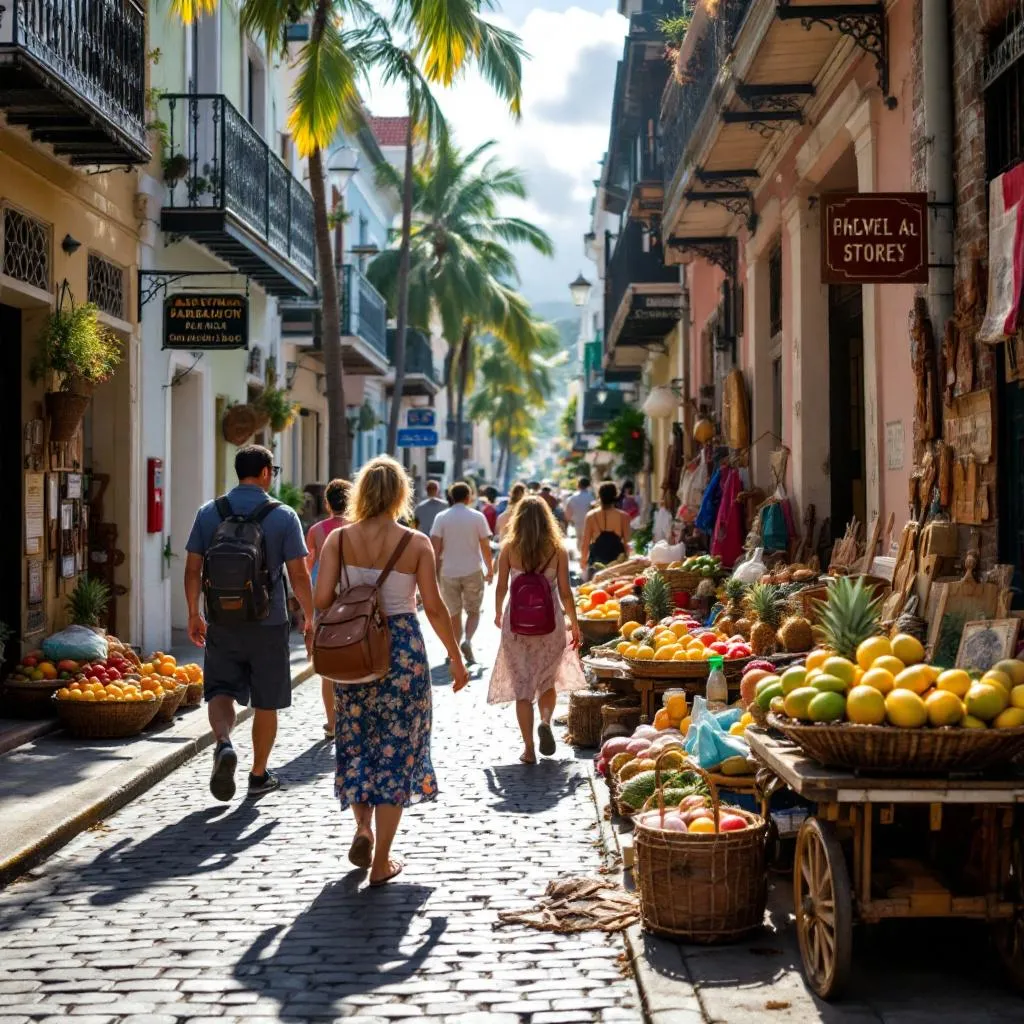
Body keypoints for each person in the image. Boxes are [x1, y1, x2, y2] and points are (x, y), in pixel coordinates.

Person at [314, 456, 469, 886]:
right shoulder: (415, 542)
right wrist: (455, 658)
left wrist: (355, 595)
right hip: (401, 649)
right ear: (402, 495)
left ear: (360, 493)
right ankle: (381, 860)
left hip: (355, 650)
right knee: (397, 750)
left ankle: (361, 828)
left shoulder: (338, 541)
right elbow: (435, 608)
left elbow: (323, 599)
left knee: (358, 741)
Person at [184, 444, 314, 801]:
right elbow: (299, 574)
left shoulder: (209, 512)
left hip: (221, 621)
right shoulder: (284, 515)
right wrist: (311, 615)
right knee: (266, 700)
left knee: (220, 689)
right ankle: (258, 775)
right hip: (268, 622)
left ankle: (224, 743)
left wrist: (194, 614)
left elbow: (193, 567)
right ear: (267, 473)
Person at [489, 496, 584, 763]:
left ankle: (529, 749)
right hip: (550, 623)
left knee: (522, 688)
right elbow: (566, 593)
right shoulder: (557, 550)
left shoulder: (508, 548)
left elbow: (500, 587)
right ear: (547, 520)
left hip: (516, 625)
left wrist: (498, 612)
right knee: (546, 681)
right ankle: (545, 720)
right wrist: (574, 625)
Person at [305, 478, 350, 740]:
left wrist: (307, 614)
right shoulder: (358, 528)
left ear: (326, 503)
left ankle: (332, 723)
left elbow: (309, 566)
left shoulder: (317, 530)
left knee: (327, 667)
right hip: (354, 600)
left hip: (324, 600)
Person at [431, 481, 494, 665]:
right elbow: (485, 546)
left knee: (454, 613)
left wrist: (433, 572)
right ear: (469, 497)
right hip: (472, 570)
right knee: (473, 611)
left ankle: (455, 648)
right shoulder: (477, 517)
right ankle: (468, 640)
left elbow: (434, 548)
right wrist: (489, 569)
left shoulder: (441, 517)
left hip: (448, 571)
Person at [579, 481, 632, 578]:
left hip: (596, 562)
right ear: (615, 495)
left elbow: (585, 542)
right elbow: (627, 542)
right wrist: (630, 561)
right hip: (617, 563)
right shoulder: (623, 516)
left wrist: (583, 561)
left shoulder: (591, 516)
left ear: (599, 495)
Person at [564, 477, 595, 541]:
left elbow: (567, 512)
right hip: (590, 522)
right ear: (588, 485)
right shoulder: (592, 497)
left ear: (578, 485)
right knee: (589, 540)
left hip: (577, 522)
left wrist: (570, 520)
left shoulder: (572, 498)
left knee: (580, 540)